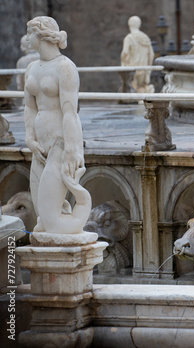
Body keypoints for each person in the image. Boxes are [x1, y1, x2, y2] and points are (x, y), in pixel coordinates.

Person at [24, 16, 91, 235]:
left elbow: (70, 111)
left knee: (50, 222)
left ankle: (78, 212)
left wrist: (72, 150)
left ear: (41, 35)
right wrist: (29, 138)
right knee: (41, 217)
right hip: (39, 145)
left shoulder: (65, 67)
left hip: (61, 144)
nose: (26, 38)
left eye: (29, 32)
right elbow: (29, 108)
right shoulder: (31, 68)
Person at [121, 16, 154, 93]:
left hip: (132, 70)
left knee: (133, 90)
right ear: (139, 25)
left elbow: (125, 52)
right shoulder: (145, 38)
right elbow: (151, 54)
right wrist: (148, 67)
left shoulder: (129, 38)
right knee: (143, 90)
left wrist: (123, 63)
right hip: (144, 68)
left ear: (129, 25)